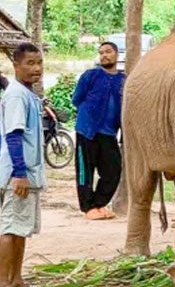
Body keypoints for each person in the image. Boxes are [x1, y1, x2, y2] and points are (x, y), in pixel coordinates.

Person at [0, 42, 47, 287]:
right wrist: (20, 173)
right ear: (16, 66)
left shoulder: (27, 94)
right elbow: (14, 134)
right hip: (19, 176)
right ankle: (3, 280)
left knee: (21, 229)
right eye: (30, 63)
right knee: (11, 228)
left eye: (39, 63)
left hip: (28, 174)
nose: (36, 69)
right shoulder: (16, 94)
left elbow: (7, 131)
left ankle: (16, 278)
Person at [72, 41, 125, 220]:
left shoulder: (123, 80)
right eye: (101, 53)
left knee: (113, 170)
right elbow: (77, 99)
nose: (104, 55)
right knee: (85, 170)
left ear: (117, 55)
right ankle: (88, 208)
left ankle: (98, 204)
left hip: (109, 133)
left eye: (108, 52)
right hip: (87, 130)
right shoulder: (91, 75)